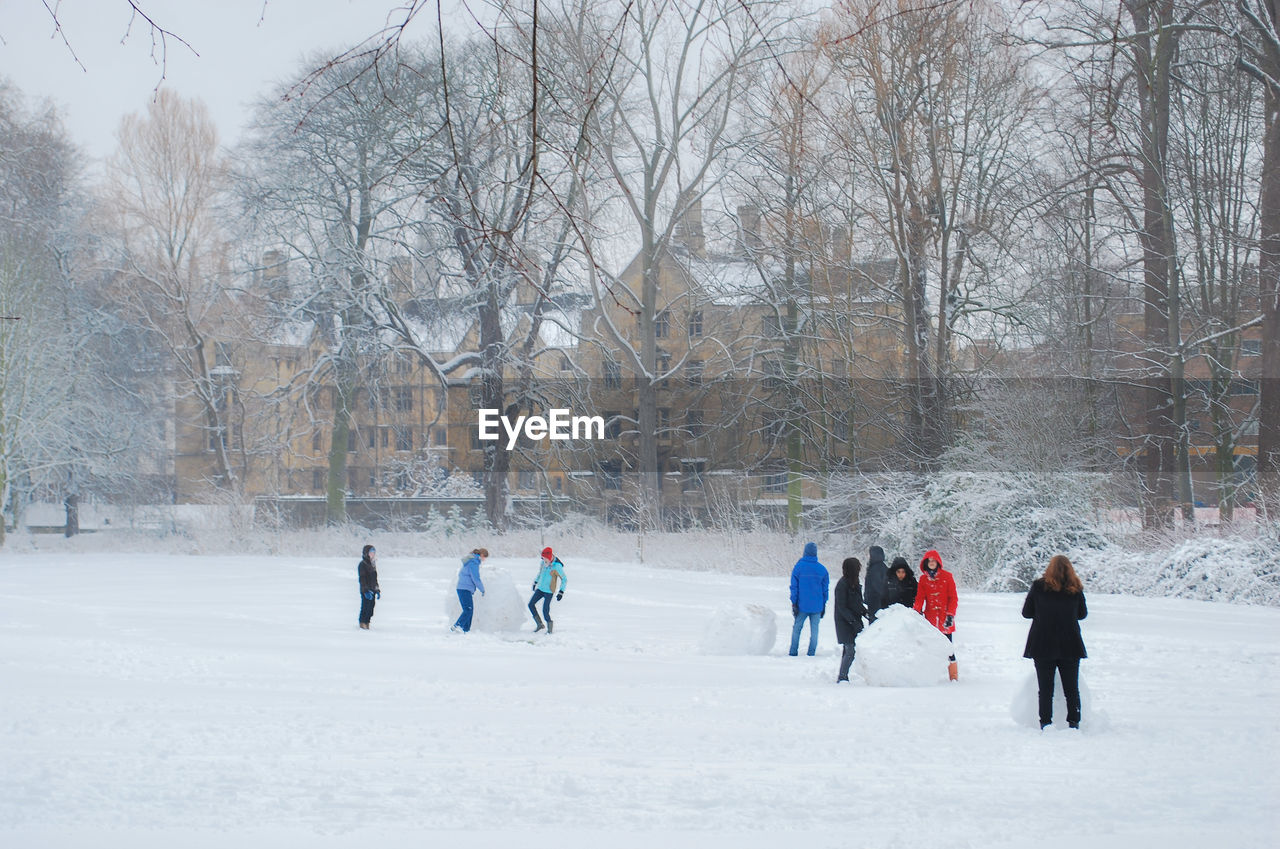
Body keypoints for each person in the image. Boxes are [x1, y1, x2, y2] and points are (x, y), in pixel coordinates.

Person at [1022, 554, 1089, 729]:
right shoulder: (1076, 588)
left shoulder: (1038, 586)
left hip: (1042, 643)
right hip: (1070, 643)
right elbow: (1082, 614)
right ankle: (1074, 722)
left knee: (1045, 689)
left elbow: (1026, 613)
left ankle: (1045, 722)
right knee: (1072, 689)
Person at [913, 549, 959, 680]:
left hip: (945, 619)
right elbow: (920, 598)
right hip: (931, 619)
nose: (931, 563)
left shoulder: (947, 576)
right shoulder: (923, 579)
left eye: (933, 561)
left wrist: (950, 615)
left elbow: (953, 598)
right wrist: (916, 612)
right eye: (929, 561)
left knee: (949, 649)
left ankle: (953, 676)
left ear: (938, 562)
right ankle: (928, 676)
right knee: (929, 649)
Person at [789, 542, 830, 657]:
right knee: (815, 630)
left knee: (797, 628)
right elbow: (825, 590)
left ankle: (793, 651)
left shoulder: (798, 568)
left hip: (802, 605)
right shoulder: (822, 569)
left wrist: (794, 603)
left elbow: (794, 587)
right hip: (817, 605)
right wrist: (824, 603)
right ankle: (811, 653)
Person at [833, 557, 867, 682]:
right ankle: (842, 677)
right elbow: (842, 607)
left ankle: (843, 674)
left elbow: (857, 602)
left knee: (848, 650)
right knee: (850, 650)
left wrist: (865, 613)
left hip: (854, 621)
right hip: (844, 622)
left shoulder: (855, 582)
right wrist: (853, 622)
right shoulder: (842, 585)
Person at [528, 546, 567, 634]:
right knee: (530, 604)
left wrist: (561, 592)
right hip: (540, 588)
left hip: (549, 591)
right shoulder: (543, 563)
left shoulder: (557, 567)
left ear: (549, 558)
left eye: (545, 559)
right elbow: (540, 572)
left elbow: (564, 579)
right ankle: (539, 624)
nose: (543, 560)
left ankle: (549, 629)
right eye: (543, 558)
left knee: (545, 610)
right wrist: (535, 582)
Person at [451, 547, 488, 633]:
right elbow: (475, 578)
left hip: (463, 588)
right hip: (464, 588)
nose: (484, 560)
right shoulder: (473, 563)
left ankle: (466, 630)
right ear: (481, 555)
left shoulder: (471, 561)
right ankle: (457, 626)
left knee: (469, 610)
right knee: (468, 609)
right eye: (484, 557)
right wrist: (482, 589)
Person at [357, 544, 380, 630]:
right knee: (365, 606)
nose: (373, 554)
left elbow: (375, 578)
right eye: (371, 552)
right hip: (366, 590)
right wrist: (365, 590)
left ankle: (367, 622)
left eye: (374, 552)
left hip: (372, 590)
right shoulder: (363, 564)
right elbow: (362, 579)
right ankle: (362, 622)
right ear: (366, 553)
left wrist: (377, 589)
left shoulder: (372, 564)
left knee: (371, 607)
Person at [863, 545, 888, 621]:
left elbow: (877, 586)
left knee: (876, 625)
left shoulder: (875, 568)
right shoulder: (881, 566)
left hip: (876, 602)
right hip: (878, 602)